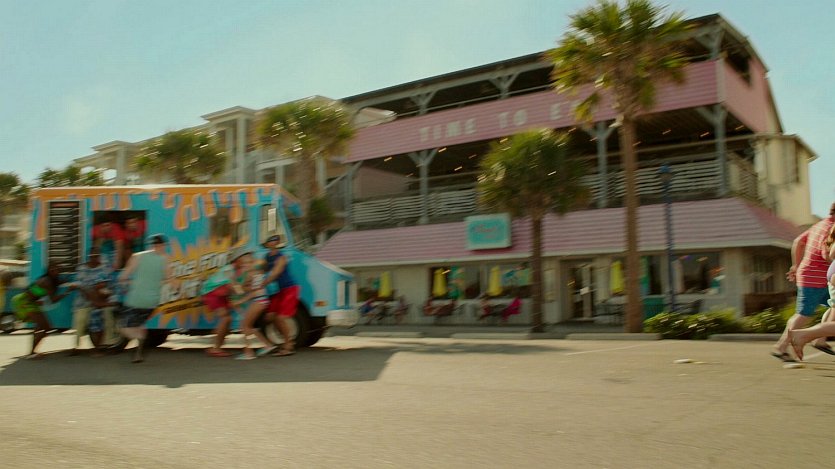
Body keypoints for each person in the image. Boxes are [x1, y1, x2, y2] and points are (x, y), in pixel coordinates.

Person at [772, 203, 835, 362]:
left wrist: (796, 265)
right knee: (804, 314)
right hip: (815, 278)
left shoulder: (819, 225)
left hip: (816, 276)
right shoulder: (830, 228)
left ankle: (820, 340)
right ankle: (781, 347)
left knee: (833, 307)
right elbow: (827, 254)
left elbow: (798, 242)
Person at [118, 233, 170, 363]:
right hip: (152, 302)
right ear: (163, 245)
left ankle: (140, 337)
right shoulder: (165, 259)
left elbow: (123, 277)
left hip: (135, 300)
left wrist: (128, 284)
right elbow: (169, 279)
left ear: (151, 245)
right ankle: (138, 353)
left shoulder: (137, 256)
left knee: (124, 328)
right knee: (140, 324)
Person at [11, 261, 74, 359]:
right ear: (48, 271)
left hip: (31, 302)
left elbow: (36, 290)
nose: (55, 271)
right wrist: (68, 291)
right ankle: (32, 353)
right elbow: (53, 300)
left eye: (57, 269)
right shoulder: (47, 281)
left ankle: (32, 352)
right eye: (52, 269)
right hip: (24, 302)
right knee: (46, 327)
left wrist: (67, 281)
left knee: (40, 327)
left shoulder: (51, 280)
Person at [200, 246, 253, 358]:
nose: (248, 260)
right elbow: (236, 289)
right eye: (245, 258)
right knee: (226, 318)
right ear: (237, 259)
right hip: (212, 293)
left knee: (227, 319)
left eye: (249, 258)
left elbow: (239, 288)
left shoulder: (239, 271)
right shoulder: (229, 269)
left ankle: (216, 344)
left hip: (222, 295)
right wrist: (252, 290)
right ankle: (216, 348)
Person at [233, 252, 276, 360]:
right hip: (259, 301)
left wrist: (241, 301)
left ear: (252, 263)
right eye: (243, 264)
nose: (245, 265)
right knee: (248, 326)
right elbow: (243, 290)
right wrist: (239, 285)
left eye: (247, 263)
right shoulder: (250, 274)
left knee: (244, 326)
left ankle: (249, 353)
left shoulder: (257, 274)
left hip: (259, 301)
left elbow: (256, 292)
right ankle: (267, 345)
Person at [70, 246, 112, 356]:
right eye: (93, 256)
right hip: (82, 302)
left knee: (96, 326)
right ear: (89, 256)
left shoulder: (104, 268)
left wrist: (98, 296)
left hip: (97, 303)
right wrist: (89, 294)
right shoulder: (82, 268)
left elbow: (106, 284)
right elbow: (78, 285)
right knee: (80, 325)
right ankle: (75, 347)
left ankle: (97, 348)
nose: (94, 258)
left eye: (97, 256)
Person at [262, 234, 298, 356]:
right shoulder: (267, 257)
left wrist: (262, 284)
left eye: (275, 241)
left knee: (281, 318)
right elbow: (261, 270)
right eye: (271, 241)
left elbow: (275, 274)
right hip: (279, 290)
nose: (273, 242)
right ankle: (287, 341)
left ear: (277, 243)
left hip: (289, 288)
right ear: (267, 244)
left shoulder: (281, 257)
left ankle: (288, 346)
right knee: (270, 317)